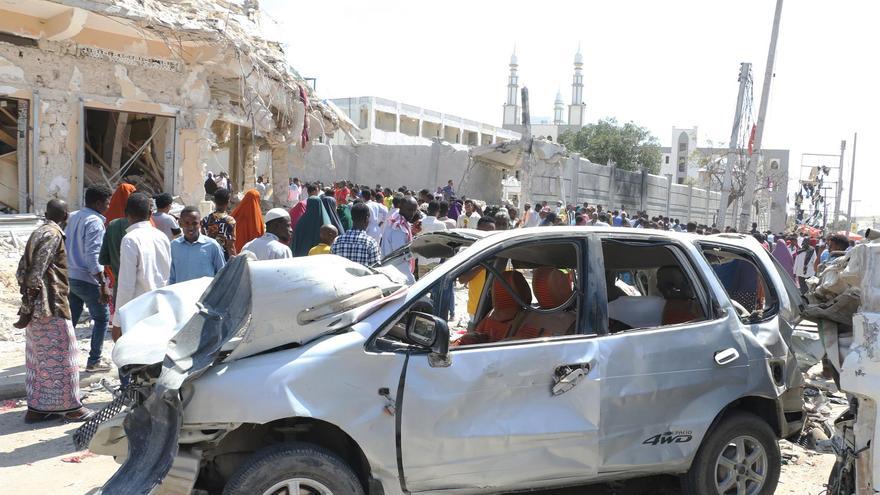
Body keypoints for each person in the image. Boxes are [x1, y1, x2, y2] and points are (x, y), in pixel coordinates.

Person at [17, 199, 95, 422]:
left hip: (38, 309)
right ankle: (72, 408)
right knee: (64, 356)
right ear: (67, 215)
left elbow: (22, 269)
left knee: (39, 359)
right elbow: (35, 273)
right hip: (51, 307)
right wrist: (29, 303)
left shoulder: (38, 232)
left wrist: (28, 305)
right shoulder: (53, 234)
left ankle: (37, 409)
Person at [65, 185, 113, 372]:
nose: (109, 206)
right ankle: (94, 361)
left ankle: (63, 358)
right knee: (102, 318)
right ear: (99, 202)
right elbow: (93, 257)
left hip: (72, 275)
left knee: (71, 321)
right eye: (107, 202)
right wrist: (102, 284)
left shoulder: (75, 216)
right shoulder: (94, 221)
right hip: (86, 277)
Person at [111, 193, 171, 339]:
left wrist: (117, 322)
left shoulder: (130, 239)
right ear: (150, 213)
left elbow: (126, 285)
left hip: (137, 311)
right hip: (160, 308)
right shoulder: (161, 237)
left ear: (126, 215)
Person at [169, 207, 226, 284]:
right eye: (187, 223)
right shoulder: (174, 246)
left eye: (194, 223)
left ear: (200, 223)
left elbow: (222, 274)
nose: (190, 227)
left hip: (204, 295)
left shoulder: (212, 246)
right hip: (180, 295)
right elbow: (171, 276)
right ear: (180, 223)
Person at [458, 216, 496, 324]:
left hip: (497, 308)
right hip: (477, 308)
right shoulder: (470, 251)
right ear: (478, 230)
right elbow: (462, 279)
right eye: (484, 231)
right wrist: (483, 265)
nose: (487, 235)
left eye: (491, 232)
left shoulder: (502, 249)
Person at [381, 196, 418, 283]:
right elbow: (401, 258)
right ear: (401, 207)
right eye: (409, 209)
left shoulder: (397, 219)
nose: (412, 213)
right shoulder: (398, 228)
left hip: (392, 271)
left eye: (414, 210)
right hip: (398, 275)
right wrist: (410, 280)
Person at [201, 188, 237, 260]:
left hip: (208, 257)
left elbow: (202, 241)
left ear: (214, 201)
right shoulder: (230, 221)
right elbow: (230, 246)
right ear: (228, 201)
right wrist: (235, 263)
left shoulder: (205, 220)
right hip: (224, 258)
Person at [230, 189, 265, 254]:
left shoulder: (236, 213)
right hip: (252, 254)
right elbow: (259, 234)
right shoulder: (257, 216)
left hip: (236, 252)